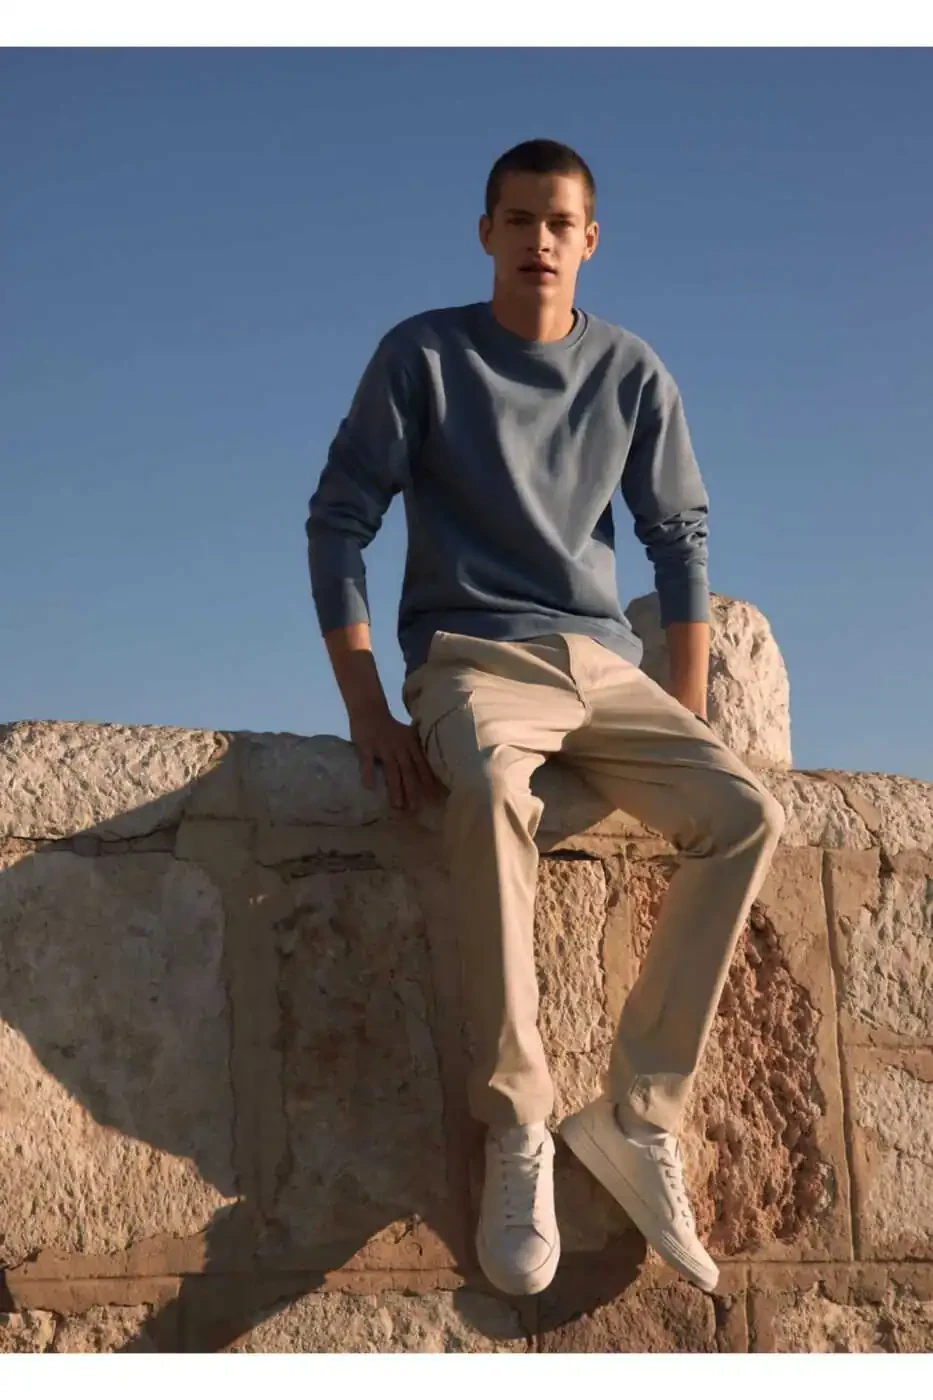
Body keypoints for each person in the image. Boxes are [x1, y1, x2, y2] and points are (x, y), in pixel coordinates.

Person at [306, 138, 785, 1299]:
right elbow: (338, 522)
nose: (538, 240)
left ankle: (637, 1114)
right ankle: (517, 1123)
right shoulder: (421, 356)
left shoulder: (630, 370)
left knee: (745, 813)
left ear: (590, 239)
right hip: (472, 658)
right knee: (485, 792)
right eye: (518, 219)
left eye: (559, 222)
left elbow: (678, 539)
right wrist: (366, 703)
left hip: (603, 666)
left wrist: (683, 707)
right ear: (486, 233)